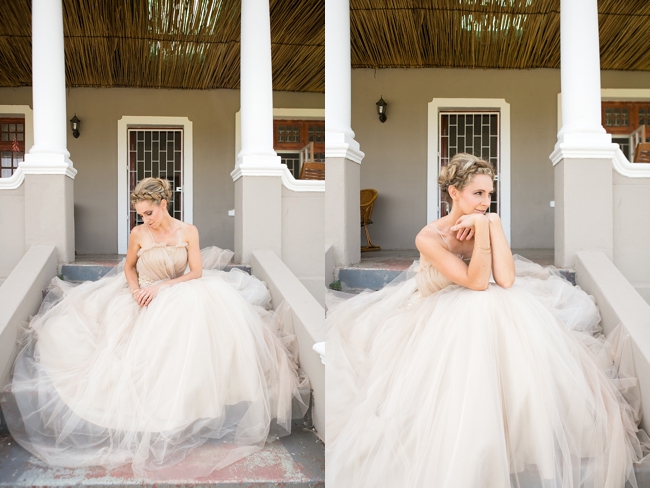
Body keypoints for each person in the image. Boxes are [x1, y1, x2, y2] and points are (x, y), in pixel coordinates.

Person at [325, 153, 648, 487]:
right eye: (478, 193)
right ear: (454, 193)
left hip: (483, 303)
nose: (485, 201)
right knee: (476, 309)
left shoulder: (487, 221)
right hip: (435, 310)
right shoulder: (429, 237)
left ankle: (514, 431)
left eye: (489, 194)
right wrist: (482, 230)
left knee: (500, 310)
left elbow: (506, 278)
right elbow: (476, 281)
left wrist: (490, 225)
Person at [2, 177, 309, 479]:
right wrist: (136, 291)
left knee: (198, 318)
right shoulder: (138, 234)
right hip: (143, 294)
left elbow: (197, 272)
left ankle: (191, 406)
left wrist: (164, 287)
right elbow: (129, 267)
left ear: (163, 204)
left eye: (149, 212)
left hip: (175, 288)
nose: (145, 219)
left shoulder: (188, 231)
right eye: (140, 214)